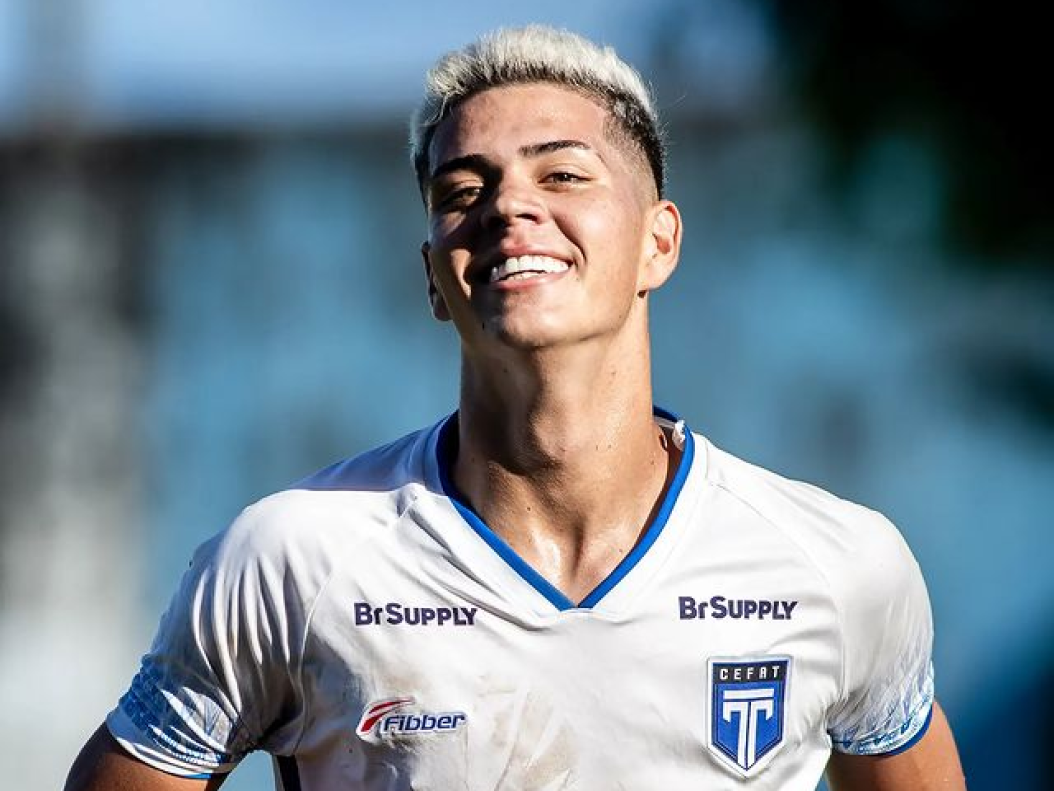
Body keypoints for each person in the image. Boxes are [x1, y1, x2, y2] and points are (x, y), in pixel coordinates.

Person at [65, 25, 966, 791]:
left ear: (658, 242)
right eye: (463, 191)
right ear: (434, 276)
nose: (507, 208)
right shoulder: (290, 562)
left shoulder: (840, 566)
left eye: (562, 175)